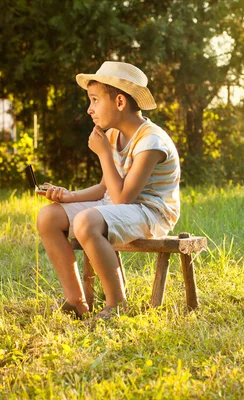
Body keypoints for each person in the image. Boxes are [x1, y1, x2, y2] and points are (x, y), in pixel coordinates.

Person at [36, 61, 180, 320]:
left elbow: (124, 197)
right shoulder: (114, 136)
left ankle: (117, 304)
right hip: (119, 206)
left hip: (151, 212)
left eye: (94, 100)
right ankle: (75, 300)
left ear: (120, 102)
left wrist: (103, 154)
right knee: (48, 217)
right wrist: (68, 196)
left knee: (86, 221)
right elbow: (106, 188)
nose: (90, 109)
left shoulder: (151, 141)